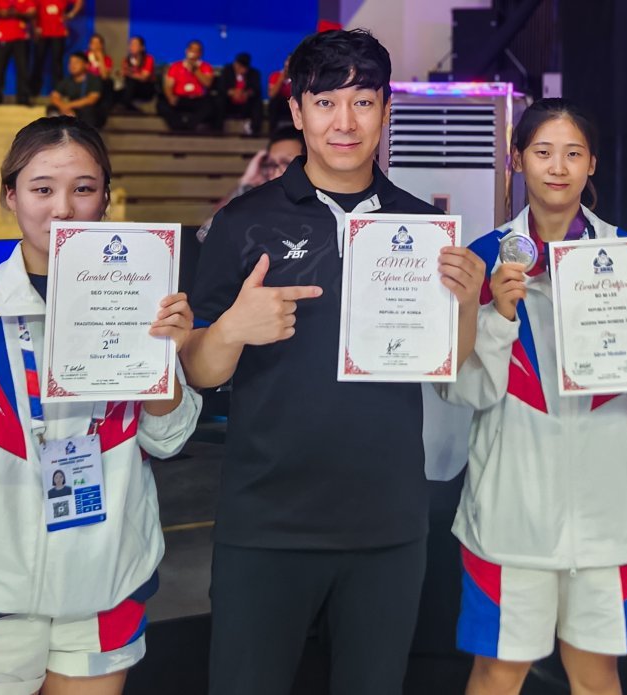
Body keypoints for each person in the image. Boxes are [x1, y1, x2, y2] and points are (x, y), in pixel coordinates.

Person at [183, 29, 486, 695]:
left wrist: (465, 306)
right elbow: (199, 371)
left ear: (385, 111)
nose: (343, 122)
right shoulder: (243, 223)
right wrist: (233, 327)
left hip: (387, 524)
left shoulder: (419, 226)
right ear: (297, 111)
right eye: (325, 103)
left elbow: (448, 370)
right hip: (266, 520)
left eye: (362, 102)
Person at [0, 115, 202, 693]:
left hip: (106, 575)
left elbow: (168, 438)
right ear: (10, 196)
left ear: (106, 195)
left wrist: (169, 355)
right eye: (41, 189)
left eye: (83, 188)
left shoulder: (140, 301)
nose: (63, 208)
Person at [439, 97, 627, 695]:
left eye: (573, 153)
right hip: (510, 510)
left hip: (609, 508)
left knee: (596, 674)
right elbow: (461, 389)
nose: (558, 167)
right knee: (498, 672)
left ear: (592, 165)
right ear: (517, 160)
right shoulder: (481, 259)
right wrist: (497, 317)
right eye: (543, 152)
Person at [196, 125, 305, 241]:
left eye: (286, 164)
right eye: (272, 164)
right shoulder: (261, 208)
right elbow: (205, 235)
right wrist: (246, 184)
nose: (276, 174)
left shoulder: (321, 208)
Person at [158, 39, 218, 132]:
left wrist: (195, 70)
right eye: (191, 49)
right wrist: (170, 96)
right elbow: (168, 85)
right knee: (162, 104)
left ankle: (190, 125)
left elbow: (207, 83)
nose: (193, 52)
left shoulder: (206, 67)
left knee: (210, 105)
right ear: (186, 51)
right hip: (180, 98)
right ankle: (178, 126)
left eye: (196, 50)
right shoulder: (175, 66)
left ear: (200, 53)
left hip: (198, 99)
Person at [0, 0, 35, 106]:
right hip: (2, 38)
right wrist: (2, 12)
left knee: (23, 68)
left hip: (21, 37)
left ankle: (23, 97)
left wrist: (17, 14)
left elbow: (32, 12)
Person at [30, 0, 82, 97]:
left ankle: (59, 92)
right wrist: (35, 28)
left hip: (58, 33)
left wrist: (71, 15)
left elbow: (79, 1)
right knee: (38, 63)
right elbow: (33, 12)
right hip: (42, 33)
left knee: (57, 64)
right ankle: (33, 92)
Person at [48, 51, 106, 128]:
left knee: (88, 110)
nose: (72, 65)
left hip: (91, 113)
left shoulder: (93, 79)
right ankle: (55, 135)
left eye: (76, 62)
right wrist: (63, 107)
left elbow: (91, 99)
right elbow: (54, 96)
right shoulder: (67, 80)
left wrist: (68, 105)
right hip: (72, 110)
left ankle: (88, 137)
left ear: (86, 65)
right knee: (52, 109)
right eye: (70, 63)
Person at [217, 52, 262, 136]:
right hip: (229, 102)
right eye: (239, 66)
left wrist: (246, 93)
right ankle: (218, 130)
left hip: (245, 102)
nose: (241, 69)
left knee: (257, 103)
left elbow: (256, 90)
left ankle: (255, 131)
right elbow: (221, 88)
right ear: (235, 64)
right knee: (219, 101)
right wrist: (232, 92)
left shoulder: (254, 73)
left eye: (244, 67)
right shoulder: (227, 71)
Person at [117, 35, 156, 111]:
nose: (132, 47)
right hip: (131, 88)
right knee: (117, 93)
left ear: (142, 47)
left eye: (135, 44)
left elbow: (144, 77)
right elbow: (123, 74)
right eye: (131, 44)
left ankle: (124, 106)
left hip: (145, 87)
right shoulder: (126, 60)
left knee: (131, 81)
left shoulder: (148, 59)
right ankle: (130, 108)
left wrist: (129, 73)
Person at [267, 55, 293, 131]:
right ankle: (273, 132)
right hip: (280, 104)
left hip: (293, 102)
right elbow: (271, 94)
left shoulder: (300, 77)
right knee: (274, 102)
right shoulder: (275, 75)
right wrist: (280, 80)